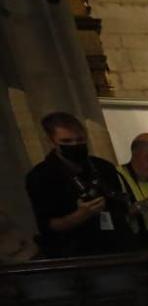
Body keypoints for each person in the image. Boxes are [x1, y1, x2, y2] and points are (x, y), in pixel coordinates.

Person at [24, 110, 130, 258]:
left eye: (80, 140)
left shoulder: (103, 167)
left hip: (116, 246)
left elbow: (121, 206)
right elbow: (48, 225)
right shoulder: (41, 176)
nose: (75, 145)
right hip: (75, 253)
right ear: (51, 141)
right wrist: (81, 214)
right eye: (66, 142)